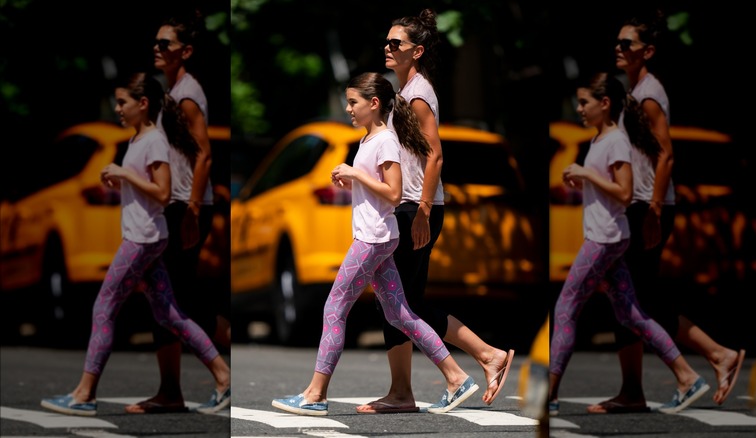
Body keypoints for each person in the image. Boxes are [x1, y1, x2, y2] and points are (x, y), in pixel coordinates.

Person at [271, 72, 479, 416]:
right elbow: (378, 190)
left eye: (353, 102)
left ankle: (315, 395)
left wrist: (355, 175)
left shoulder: (385, 141)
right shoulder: (370, 140)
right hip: (376, 236)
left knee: (334, 307)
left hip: (374, 239)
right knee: (401, 314)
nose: (348, 109)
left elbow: (395, 193)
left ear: (374, 103)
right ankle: (457, 378)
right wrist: (352, 181)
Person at [40, 72, 230, 417]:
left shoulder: (155, 140)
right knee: (169, 313)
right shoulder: (139, 139)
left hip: (143, 239)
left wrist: (125, 175)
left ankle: (84, 394)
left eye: (123, 102)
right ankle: (223, 375)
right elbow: (147, 190)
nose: (118, 109)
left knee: (104, 306)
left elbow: (162, 192)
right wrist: (121, 183)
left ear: (143, 104)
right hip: (145, 235)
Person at [356, 8, 514, 414]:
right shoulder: (405, 91)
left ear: (418, 51)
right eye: (387, 42)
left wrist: (424, 209)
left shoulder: (419, 93)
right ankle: (406, 390)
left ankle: (484, 358)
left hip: (417, 208)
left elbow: (435, 156)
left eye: (397, 44)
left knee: (399, 302)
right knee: (398, 301)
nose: (387, 49)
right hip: (410, 206)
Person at [586, 13, 744, 414]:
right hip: (637, 206)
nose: (619, 50)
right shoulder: (634, 92)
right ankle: (636, 390)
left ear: (647, 52)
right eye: (617, 43)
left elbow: (667, 155)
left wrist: (655, 208)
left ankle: (716, 357)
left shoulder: (650, 94)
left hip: (647, 208)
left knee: (632, 299)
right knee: (632, 299)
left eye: (628, 45)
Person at [548, 72, 708, 416]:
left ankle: (550, 393)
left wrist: (587, 174)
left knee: (565, 306)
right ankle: (687, 376)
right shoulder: (600, 139)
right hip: (606, 235)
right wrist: (582, 182)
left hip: (605, 239)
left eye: (584, 102)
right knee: (630, 312)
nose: (579, 109)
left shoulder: (617, 141)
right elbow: (608, 190)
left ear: (605, 104)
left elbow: (624, 192)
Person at [125, 13, 231, 414]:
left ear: (185, 51)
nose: (157, 48)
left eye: (165, 44)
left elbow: (205, 153)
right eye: (156, 43)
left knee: (165, 294)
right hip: (174, 205)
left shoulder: (187, 93)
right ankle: (172, 389)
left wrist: (190, 209)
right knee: (174, 296)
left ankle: (193, 384)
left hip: (184, 207)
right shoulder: (173, 91)